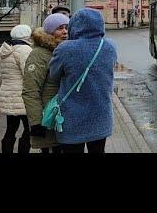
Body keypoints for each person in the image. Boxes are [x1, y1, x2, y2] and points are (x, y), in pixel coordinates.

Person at [49, 8, 117, 154]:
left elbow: (53, 76)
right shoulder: (110, 47)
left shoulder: (64, 49)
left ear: (75, 25)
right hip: (101, 116)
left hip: (72, 118)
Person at [22, 13, 69, 154]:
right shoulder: (39, 54)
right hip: (48, 117)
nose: (65, 31)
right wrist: (36, 122)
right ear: (49, 31)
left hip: (64, 116)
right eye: (60, 28)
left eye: (67, 27)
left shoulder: (65, 51)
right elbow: (30, 91)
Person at [0, 25, 33, 154]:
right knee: (29, 130)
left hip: (8, 93)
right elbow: (28, 73)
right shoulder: (24, 49)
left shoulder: (6, 49)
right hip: (22, 96)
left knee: (11, 129)